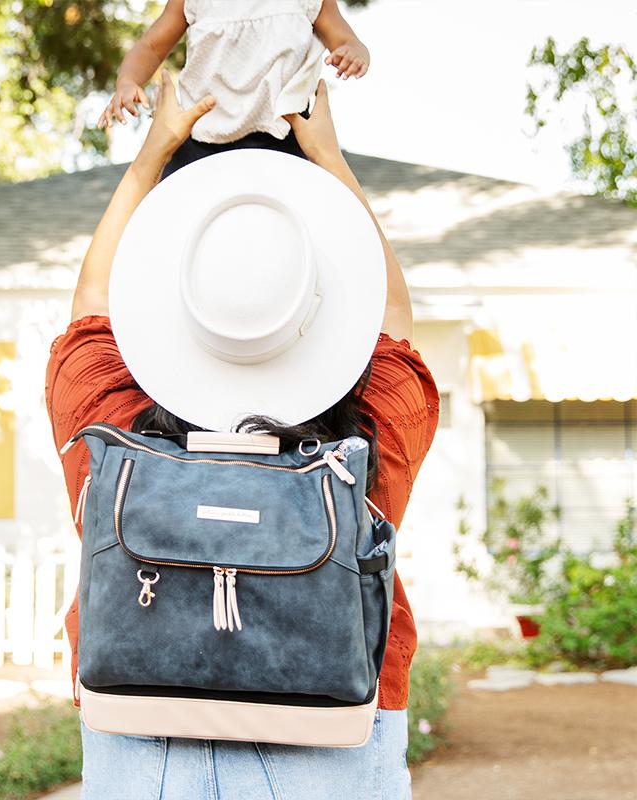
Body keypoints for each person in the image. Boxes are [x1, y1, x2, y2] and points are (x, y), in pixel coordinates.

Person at [45, 70, 439, 798]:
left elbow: (89, 319)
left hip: (141, 731)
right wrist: (331, 159)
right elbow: (394, 337)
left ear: (171, 299)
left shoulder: (112, 436)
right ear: (320, 299)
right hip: (333, 733)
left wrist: (149, 154)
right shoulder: (367, 442)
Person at [98, 0, 370, 178]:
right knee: (178, 226)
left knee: (300, 226)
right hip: (202, 140)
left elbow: (346, 38)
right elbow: (151, 46)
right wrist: (128, 81)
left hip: (285, 136)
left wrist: (354, 51)